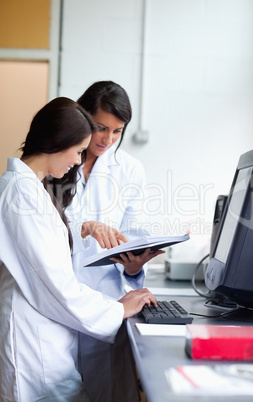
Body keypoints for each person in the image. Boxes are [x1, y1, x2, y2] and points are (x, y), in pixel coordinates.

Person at [0, 97, 157, 401]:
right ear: (57, 142)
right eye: (76, 151)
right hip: (34, 344)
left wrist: (85, 227)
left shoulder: (33, 189)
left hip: (50, 335)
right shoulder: (21, 193)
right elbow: (54, 282)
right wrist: (117, 308)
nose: (76, 161)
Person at [54, 81, 164, 402]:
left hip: (107, 302)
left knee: (108, 392)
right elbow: (42, 226)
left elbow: (131, 237)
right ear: (83, 116)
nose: (107, 139)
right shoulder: (58, 163)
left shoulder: (130, 170)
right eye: (101, 127)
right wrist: (84, 226)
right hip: (60, 301)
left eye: (117, 131)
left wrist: (134, 266)